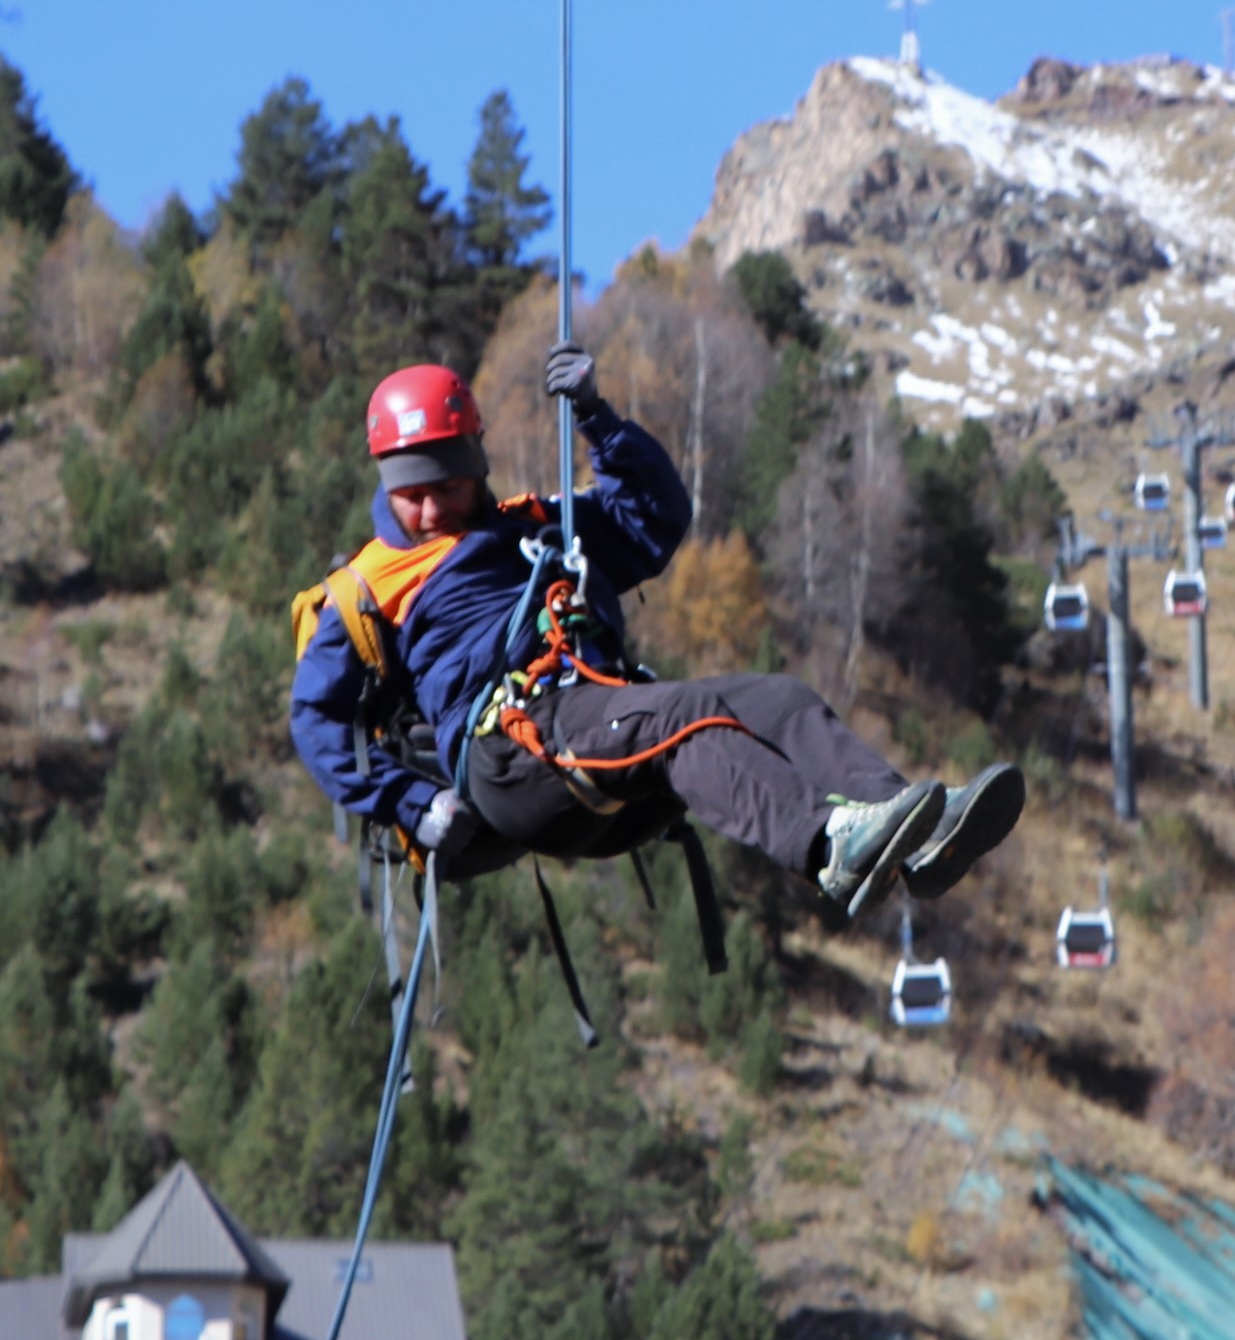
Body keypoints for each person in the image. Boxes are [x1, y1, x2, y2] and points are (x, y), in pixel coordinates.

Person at [288, 349, 1023, 917]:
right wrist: (412, 805)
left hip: (597, 729)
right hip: (512, 751)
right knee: (682, 717)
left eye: (444, 488)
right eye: (409, 495)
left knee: (778, 701)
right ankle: (830, 846)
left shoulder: (536, 528)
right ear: (385, 481)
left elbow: (654, 521)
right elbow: (315, 720)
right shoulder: (366, 586)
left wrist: (600, 420)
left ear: (474, 466)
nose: (428, 510)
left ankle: (909, 829)